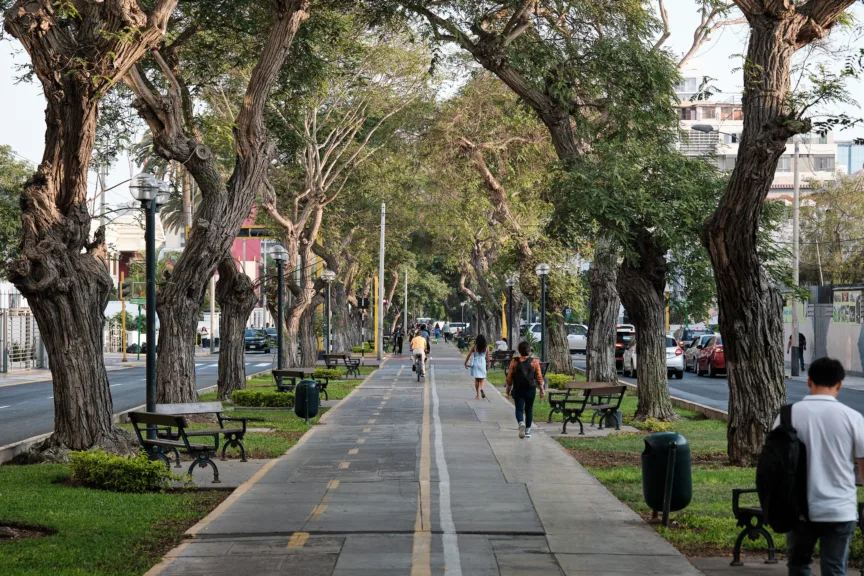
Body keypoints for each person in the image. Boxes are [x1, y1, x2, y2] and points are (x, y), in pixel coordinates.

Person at [777, 358, 864, 576]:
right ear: (840, 384)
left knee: (798, 567)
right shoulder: (853, 419)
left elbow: (774, 463)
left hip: (798, 510)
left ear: (809, 382)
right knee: (835, 569)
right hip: (840, 510)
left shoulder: (787, 416)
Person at [505, 341, 546, 439]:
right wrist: (542, 390)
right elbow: (539, 378)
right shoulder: (534, 362)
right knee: (529, 409)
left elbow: (509, 377)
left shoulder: (514, 361)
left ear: (519, 350)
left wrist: (508, 389)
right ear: (529, 350)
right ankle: (528, 431)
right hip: (530, 389)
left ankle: (521, 422)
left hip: (518, 389)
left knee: (519, 409)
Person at [464, 334, 492, 399]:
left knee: (476, 379)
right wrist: (489, 364)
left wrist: (465, 363)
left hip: (476, 362)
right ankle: (482, 389)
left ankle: (478, 395)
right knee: (482, 379)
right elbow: (488, 358)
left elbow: (468, 355)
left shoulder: (474, 347)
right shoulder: (486, 347)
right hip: (482, 363)